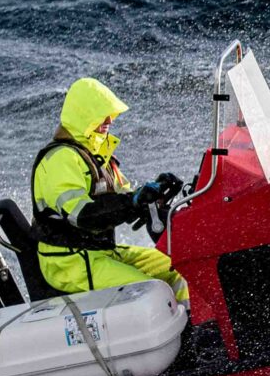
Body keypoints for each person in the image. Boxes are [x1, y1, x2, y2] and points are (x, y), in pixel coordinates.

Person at [30, 77, 189, 303]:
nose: (109, 120)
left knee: (182, 267)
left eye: (110, 113)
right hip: (69, 262)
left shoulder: (99, 156)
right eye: (100, 114)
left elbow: (125, 198)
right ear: (82, 114)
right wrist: (132, 201)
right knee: (151, 293)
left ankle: (196, 329)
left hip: (101, 252)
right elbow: (83, 215)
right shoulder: (60, 159)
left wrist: (154, 193)